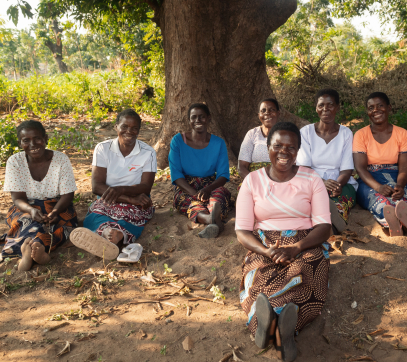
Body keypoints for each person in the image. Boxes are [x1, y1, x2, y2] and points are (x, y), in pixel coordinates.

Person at [236, 121, 331, 362]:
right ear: (267, 147)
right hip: (264, 242)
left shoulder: (311, 179)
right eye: (277, 145)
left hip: (305, 241)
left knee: (307, 270)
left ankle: (275, 330)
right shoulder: (252, 181)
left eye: (291, 147)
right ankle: (273, 329)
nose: (284, 152)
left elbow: (324, 226)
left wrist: (297, 248)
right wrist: (267, 252)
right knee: (259, 275)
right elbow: (243, 231)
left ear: (298, 150)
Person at [0, 120, 78, 271]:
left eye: (37, 138)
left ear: (45, 139)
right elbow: (18, 199)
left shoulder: (60, 160)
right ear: (19, 143)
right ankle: (35, 251)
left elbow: (68, 194)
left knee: (62, 225)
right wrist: (31, 210)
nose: (33, 144)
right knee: (27, 221)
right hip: (26, 206)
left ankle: (33, 249)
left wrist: (55, 211)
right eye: (26, 140)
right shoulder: (15, 162)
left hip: (58, 205)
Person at [71, 109, 156, 260]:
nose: (129, 131)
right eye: (124, 126)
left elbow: (146, 187)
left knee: (131, 215)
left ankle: (115, 236)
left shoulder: (147, 152)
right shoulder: (103, 148)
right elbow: (97, 186)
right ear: (116, 127)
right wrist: (128, 198)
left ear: (139, 131)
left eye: (134, 128)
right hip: (109, 197)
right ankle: (108, 233)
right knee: (98, 212)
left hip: (138, 198)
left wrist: (121, 190)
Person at [354, 92, 407, 236]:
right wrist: (378, 187)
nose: (375, 110)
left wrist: (400, 185)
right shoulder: (361, 135)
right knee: (375, 197)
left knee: (400, 195)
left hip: (396, 175)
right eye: (371, 108)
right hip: (370, 178)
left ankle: (403, 215)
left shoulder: (402, 134)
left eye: (380, 106)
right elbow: (360, 168)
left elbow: (404, 167)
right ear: (367, 112)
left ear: (389, 108)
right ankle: (391, 218)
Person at [297, 88, 357, 234]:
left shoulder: (346, 133)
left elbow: (347, 169)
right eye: (321, 105)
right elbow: (303, 167)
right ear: (316, 108)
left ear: (337, 108)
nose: (325, 109)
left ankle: (329, 224)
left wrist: (337, 185)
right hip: (311, 182)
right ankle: (326, 224)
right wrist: (321, 184)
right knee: (304, 201)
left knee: (338, 203)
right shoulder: (306, 132)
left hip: (340, 184)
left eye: (330, 105)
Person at [169, 103, 232, 238]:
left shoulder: (218, 143)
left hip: (210, 184)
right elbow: (176, 174)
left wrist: (208, 190)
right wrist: (194, 193)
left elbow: (223, 175)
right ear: (189, 120)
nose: (197, 120)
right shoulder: (178, 141)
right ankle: (211, 220)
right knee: (186, 200)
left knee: (221, 194)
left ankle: (212, 217)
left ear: (208, 118)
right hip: (185, 185)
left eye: (201, 117)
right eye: (194, 117)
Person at [238, 98, 280, 180]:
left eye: (272, 110)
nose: (267, 113)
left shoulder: (286, 135)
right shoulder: (252, 134)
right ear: (259, 115)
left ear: (278, 113)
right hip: (253, 182)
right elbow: (242, 168)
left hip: (279, 182)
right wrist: (256, 183)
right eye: (263, 110)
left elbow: (293, 165)